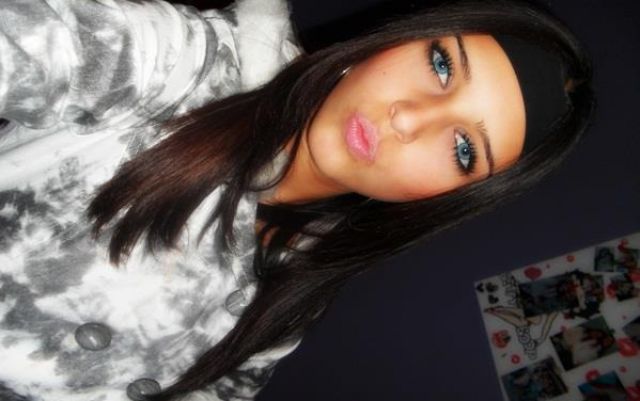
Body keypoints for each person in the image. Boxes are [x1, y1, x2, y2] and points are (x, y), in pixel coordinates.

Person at [0, 0, 594, 400]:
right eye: (441, 64)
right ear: (389, 43)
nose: (410, 119)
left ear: (447, 199)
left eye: (464, 148)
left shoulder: (303, 281)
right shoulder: (181, 67)